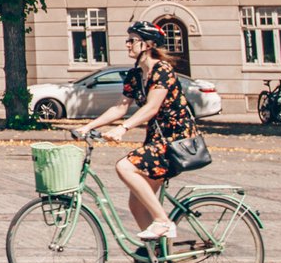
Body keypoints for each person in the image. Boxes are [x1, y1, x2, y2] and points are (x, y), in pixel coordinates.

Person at [77, 20, 200, 243]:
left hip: (175, 140)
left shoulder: (163, 70)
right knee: (136, 204)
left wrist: (123, 128)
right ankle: (161, 259)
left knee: (124, 166)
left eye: (132, 40)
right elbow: (120, 107)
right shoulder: (135, 75)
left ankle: (163, 222)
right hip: (156, 139)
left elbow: (152, 107)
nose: (127, 45)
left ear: (148, 44)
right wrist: (88, 126)